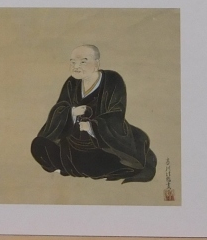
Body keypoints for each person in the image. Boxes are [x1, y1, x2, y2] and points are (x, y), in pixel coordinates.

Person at [30, 44, 156, 183]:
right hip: (71, 144)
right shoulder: (72, 82)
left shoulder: (112, 80)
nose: (76, 66)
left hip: (100, 146)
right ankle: (71, 166)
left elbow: (116, 113)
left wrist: (91, 127)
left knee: (109, 163)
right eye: (73, 62)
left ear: (97, 64)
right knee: (38, 145)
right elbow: (59, 108)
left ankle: (73, 168)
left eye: (83, 62)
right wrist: (72, 112)